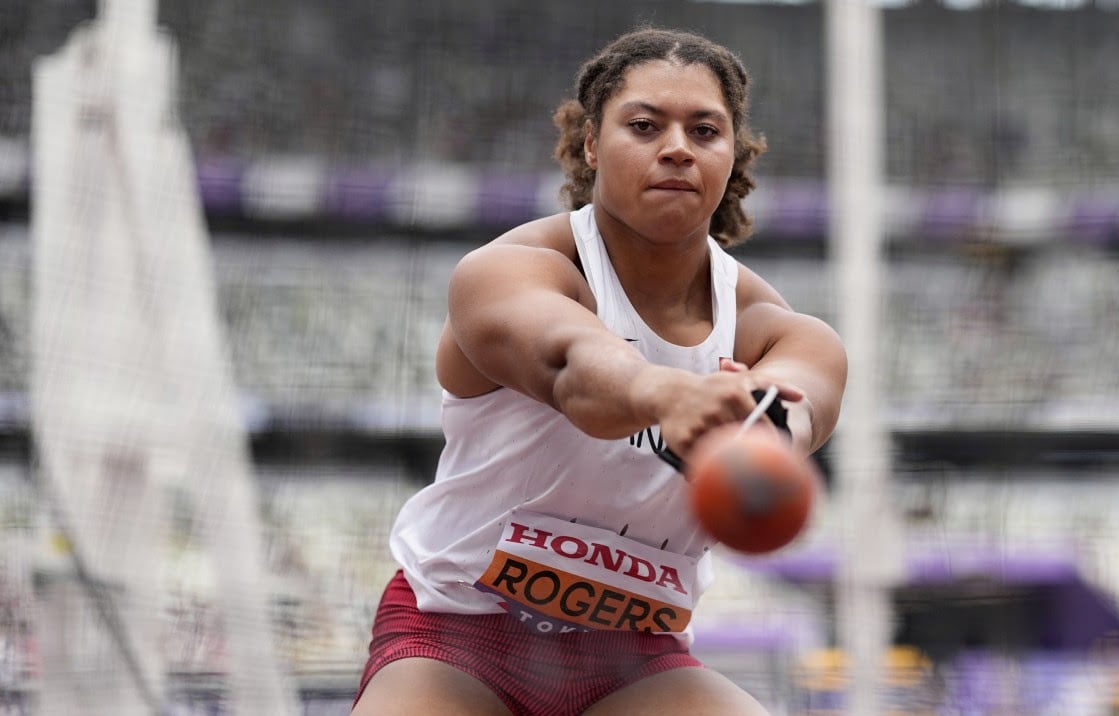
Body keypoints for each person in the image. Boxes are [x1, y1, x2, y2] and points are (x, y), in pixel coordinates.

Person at [351, 27, 847, 716]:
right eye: (644, 126)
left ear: (732, 155)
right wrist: (666, 393)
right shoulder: (505, 271)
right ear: (590, 144)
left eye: (705, 130)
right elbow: (572, 367)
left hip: (631, 659)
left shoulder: (782, 331)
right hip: (455, 631)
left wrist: (760, 428)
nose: (677, 147)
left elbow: (800, 407)